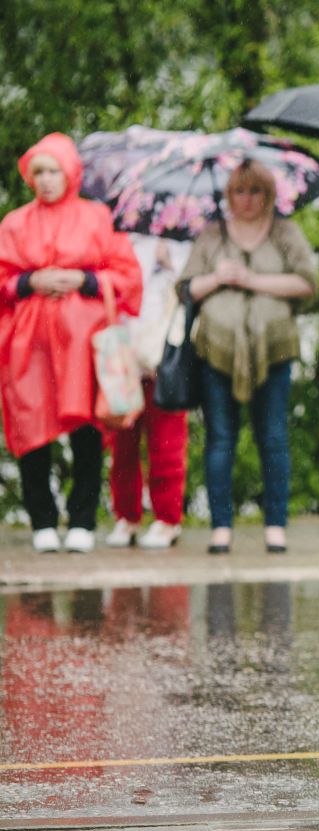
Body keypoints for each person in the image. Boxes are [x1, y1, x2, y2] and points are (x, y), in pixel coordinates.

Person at [0, 132, 141, 553]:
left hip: (84, 346)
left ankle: (82, 519)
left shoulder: (97, 218)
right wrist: (29, 281)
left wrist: (85, 279)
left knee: (87, 428)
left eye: (52, 170)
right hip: (29, 345)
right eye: (37, 172)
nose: (44, 180)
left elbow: (128, 276)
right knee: (31, 426)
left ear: (71, 173)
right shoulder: (14, 224)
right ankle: (41, 519)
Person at [177, 159, 318, 554]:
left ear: (269, 194)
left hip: (273, 348)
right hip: (216, 349)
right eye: (240, 191)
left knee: (272, 436)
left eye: (256, 190)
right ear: (228, 195)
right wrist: (218, 277)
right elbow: (185, 289)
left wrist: (253, 280)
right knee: (220, 437)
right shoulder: (212, 234)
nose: (248, 199)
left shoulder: (285, 232)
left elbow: (308, 284)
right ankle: (221, 526)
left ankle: (276, 525)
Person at [106, 235, 193, 549]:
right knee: (122, 443)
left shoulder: (182, 244)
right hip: (124, 354)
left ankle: (167, 518)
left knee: (167, 442)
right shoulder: (120, 241)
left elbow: (191, 294)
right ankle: (126, 515)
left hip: (165, 355)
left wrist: (171, 265)